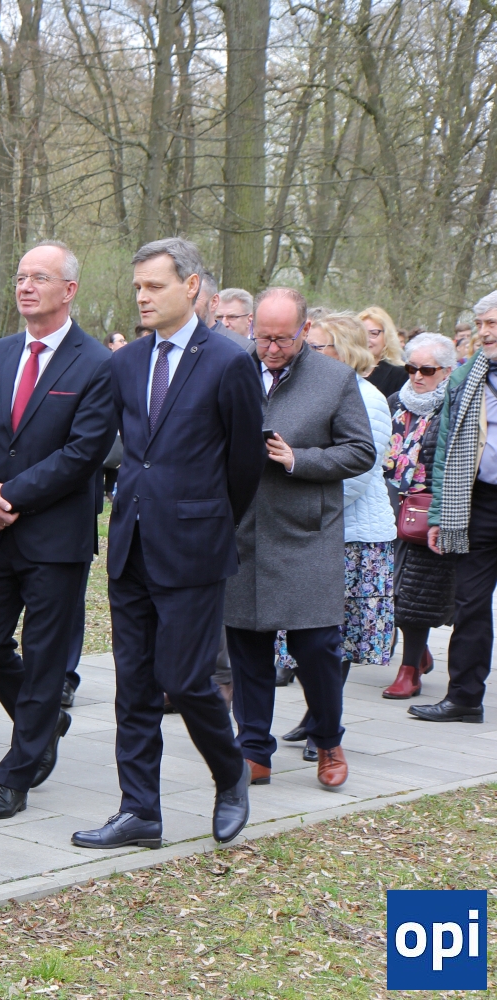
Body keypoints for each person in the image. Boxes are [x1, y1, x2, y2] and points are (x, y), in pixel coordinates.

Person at [72, 237, 260, 852]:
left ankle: (230, 774)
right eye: (138, 287)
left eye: (154, 285)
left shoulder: (229, 362)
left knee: (185, 678)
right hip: (131, 544)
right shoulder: (126, 362)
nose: (143, 297)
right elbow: (118, 447)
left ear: (192, 286)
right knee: (134, 685)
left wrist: (205, 520)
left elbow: (244, 465)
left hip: (194, 549)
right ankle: (139, 812)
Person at [0, 240, 116, 821]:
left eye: (39, 277)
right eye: (21, 276)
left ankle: (16, 775)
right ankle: (44, 720)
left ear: (68, 290)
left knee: (45, 657)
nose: (25, 286)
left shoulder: (97, 363)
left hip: (55, 537)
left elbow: (83, 452)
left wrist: (12, 496)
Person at [224, 291, 375, 789]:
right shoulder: (232, 370)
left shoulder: (334, 379)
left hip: (307, 534)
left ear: (305, 330)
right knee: (247, 647)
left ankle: (328, 739)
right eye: (262, 337)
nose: (271, 348)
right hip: (242, 531)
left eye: (282, 339)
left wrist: (298, 459)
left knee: (317, 648)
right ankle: (253, 750)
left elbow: (361, 452)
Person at [276, 314, 395, 763]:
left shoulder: (368, 397)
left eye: (319, 347)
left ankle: (324, 728)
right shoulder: (308, 390)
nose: (308, 354)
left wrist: (298, 508)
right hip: (316, 526)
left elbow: (358, 473)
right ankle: (316, 716)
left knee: (334, 637)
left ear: (344, 351)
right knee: (312, 633)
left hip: (352, 535)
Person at [418, 291, 497, 724]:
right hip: (478, 502)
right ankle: (464, 698)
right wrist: (437, 515)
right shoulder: (468, 375)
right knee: (470, 603)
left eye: (492, 324)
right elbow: (446, 446)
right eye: (480, 324)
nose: (484, 333)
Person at [379, 332, 457, 699]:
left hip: (429, 509)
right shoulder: (395, 401)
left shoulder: (456, 407)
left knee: (416, 592)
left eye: (427, 370)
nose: (417, 376)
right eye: (412, 368)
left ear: (447, 371)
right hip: (388, 504)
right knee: (389, 587)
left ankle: (409, 669)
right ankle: (418, 653)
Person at [360, 306, 408, 396]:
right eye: (362, 333)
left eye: (373, 333)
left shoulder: (401, 374)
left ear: (387, 336)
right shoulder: (347, 370)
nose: (366, 339)